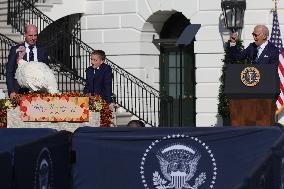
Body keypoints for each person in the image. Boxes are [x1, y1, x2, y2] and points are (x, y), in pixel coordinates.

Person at [6, 24, 49, 99]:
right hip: (19, 91)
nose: (33, 38)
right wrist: (11, 91)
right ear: (25, 34)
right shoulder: (16, 50)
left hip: (38, 93)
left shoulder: (42, 51)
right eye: (30, 35)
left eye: (35, 35)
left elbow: (46, 72)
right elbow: (9, 72)